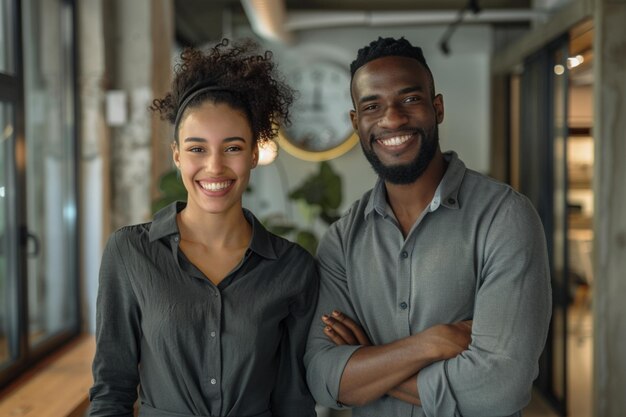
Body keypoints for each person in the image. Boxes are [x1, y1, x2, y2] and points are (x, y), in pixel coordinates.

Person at [304, 37, 552, 417]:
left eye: (410, 99)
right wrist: (432, 343)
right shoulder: (341, 240)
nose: (392, 119)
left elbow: (500, 388)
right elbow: (322, 378)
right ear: (357, 122)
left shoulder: (505, 218)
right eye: (373, 106)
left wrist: (370, 360)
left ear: (437, 108)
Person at [89, 38, 318, 417]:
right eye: (197, 149)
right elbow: (111, 391)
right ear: (177, 155)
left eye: (232, 148)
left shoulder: (292, 267)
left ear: (254, 153)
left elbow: (294, 401)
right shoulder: (130, 252)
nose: (214, 167)